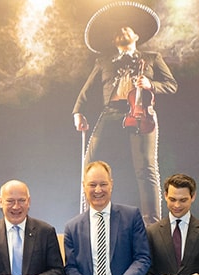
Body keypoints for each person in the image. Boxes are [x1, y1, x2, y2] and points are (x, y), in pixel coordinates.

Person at [73, 2, 177, 224]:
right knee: (91, 164)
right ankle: (88, 218)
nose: (122, 31)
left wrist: (150, 84)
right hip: (110, 112)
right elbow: (87, 89)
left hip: (142, 114)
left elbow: (171, 85)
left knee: (146, 169)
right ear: (114, 41)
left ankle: (152, 223)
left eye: (127, 29)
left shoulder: (152, 57)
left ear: (137, 36)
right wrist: (78, 112)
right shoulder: (103, 61)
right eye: (118, 31)